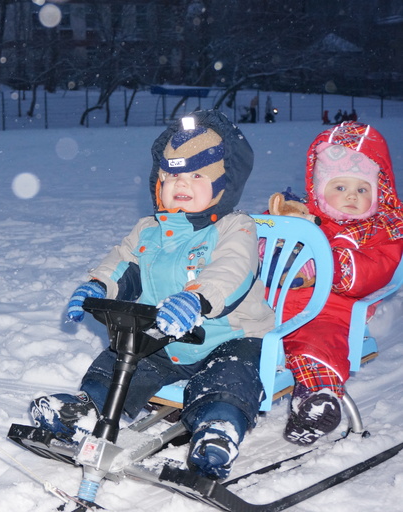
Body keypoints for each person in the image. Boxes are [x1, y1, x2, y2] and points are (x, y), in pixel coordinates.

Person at [30, 109, 275, 480]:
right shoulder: (148, 229)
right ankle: (86, 409)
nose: (182, 183)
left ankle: (217, 430)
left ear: (224, 184)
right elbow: (122, 264)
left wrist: (196, 298)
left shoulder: (234, 227)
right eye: (172, 175)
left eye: (196, 175)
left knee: (227, 379)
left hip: (230, 338)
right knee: (120, 360)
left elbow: (232, 271)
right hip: (165, 339)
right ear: (158, 181)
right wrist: (97, 286)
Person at [277, 121, 403, 445]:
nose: (351, 196)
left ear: (378, 193)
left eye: (362, 189)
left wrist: (331, 264)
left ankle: (316, 403)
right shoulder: (305, 217)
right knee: (229, 334)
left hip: (331, 312)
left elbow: (376, 271)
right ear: (320, 188)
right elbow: (265, 241)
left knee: (316, 346)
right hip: (272, 307)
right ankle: (211, 394)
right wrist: (270, 241)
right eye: (340, 187)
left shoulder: (379, 233)